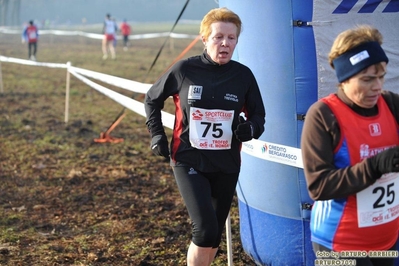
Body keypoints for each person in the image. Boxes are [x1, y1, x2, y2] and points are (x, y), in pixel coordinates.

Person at [144, 7, 265, 266]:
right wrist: (157, 135)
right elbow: (151, 99)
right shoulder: (185, 69)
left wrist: (250, 129)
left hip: (226, 164)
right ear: (204, 39)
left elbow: (259, 117)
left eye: (231, 38)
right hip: (189, 159)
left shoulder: (243, 75)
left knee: (214, 236)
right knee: (204, 230)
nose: (225, 43)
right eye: (218, 37)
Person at [301, 25, 399, 266]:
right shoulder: (323, 115)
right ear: (344, 79)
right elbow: (319, 186)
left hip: (386, 239)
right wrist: (374, 167)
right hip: (338, 245)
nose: (377, 86)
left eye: (381, 76)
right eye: (367, 79)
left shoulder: (392, 104)